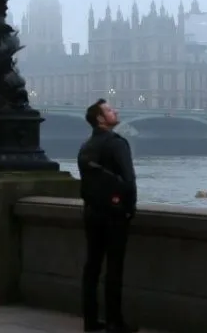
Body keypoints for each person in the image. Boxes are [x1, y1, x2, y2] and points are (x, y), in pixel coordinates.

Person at [77, 98, 138, 333]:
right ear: (100, 119)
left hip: (92, 213)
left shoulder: (86, 146)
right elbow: (129, 180)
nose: (116, 111)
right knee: (114, 268)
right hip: (114, 216)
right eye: (110, 110)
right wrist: (129, 209)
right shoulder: (117, 143)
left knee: (92, 268)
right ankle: (115, 322)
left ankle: (90, 322)